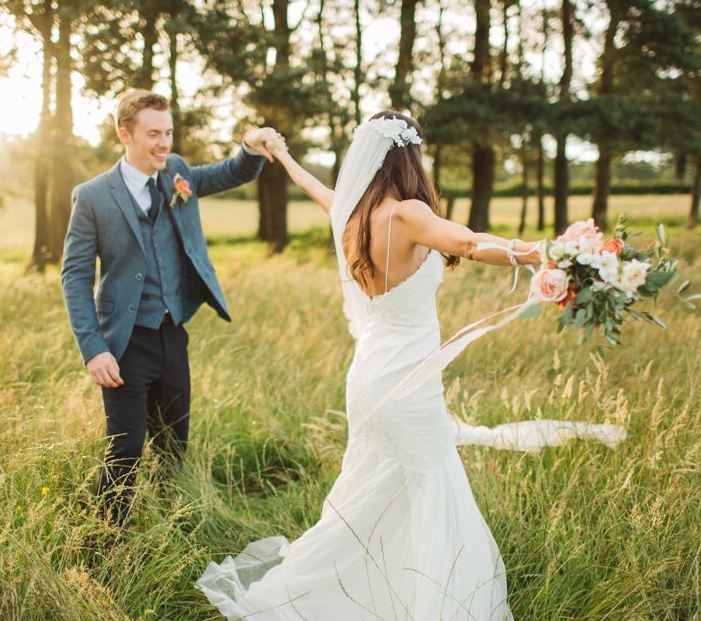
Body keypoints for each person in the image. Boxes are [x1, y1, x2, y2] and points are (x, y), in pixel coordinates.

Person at [195, 111, 626, 619]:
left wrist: (284, 156)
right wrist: (549, 253)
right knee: (428, 488)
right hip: (408, 385)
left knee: (371, 493)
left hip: (369, 380)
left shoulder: (351, 214)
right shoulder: (406, 213)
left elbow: (316, 189)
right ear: (410, 158)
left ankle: (365, 590)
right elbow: (468, 243)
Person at [61, 88, 285, 526]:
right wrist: (93, 348)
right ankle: (109, 544)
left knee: (173, 445)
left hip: (172, 335)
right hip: (123, 343)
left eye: (168, 133)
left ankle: (169, 530)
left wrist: (250, 146)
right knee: (124, 449)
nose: (164, 143)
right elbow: (74, 276)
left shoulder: (177, 172)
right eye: (153, 135)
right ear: (125, 134)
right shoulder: (91, 196)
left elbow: (228, 173)